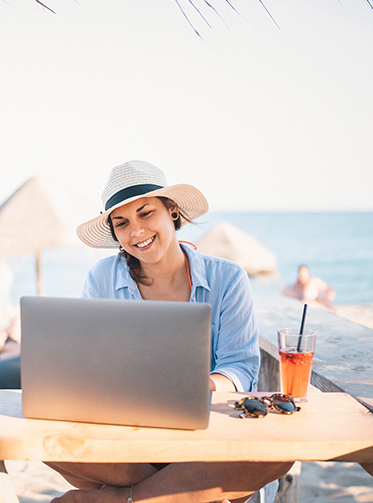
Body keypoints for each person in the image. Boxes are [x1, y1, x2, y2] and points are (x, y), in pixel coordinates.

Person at [48, 160, 292, 503]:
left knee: (280, 452)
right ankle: (176, 495)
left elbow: (239, 367)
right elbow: (90, 366)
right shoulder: (101, 277)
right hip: (131, 435)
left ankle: (124, 498)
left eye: (146, 214)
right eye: (122, 223)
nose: (136, 232)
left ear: (172, 211)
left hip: (204, 431)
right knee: (47, 443)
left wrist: (190, 390)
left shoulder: (228, 278)